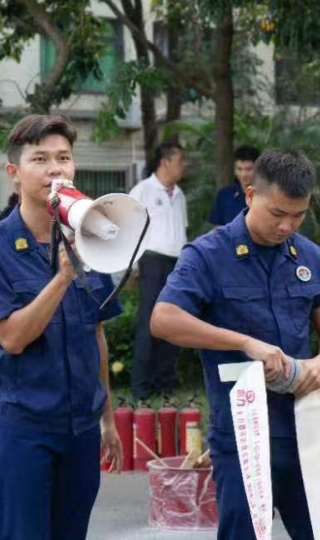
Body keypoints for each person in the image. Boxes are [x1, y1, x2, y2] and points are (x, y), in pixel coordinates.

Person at [150, 149, 320, 540]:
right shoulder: (208, 254)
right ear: (249, 195)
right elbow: (163, 319)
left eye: (298, 215)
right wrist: (246, 343)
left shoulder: (308, 255)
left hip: (305, 427)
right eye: (277, 213)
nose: (286, 226)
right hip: (243, 434)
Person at [0, 114, 123, 540]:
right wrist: (63, 277)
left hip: (81, 426)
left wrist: (106, 418)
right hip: (23, 427)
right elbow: (12, 338)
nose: (56, 169)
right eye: (41, 159)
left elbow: (96, 333)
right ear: (14, 173)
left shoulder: (88, 236)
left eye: (64, 158)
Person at [129, 142, 188, 400]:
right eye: (180, 161)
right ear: (165, 162)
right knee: (148, 323)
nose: (183, 166)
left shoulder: (180, 194)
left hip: (177, 264)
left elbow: (182, 230)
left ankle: (165, 382)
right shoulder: (142, 191)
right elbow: (129, 229)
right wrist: (132, 266)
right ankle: (141, 385)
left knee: (173, 322)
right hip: (152, 261)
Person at [209, 145, 260, 226]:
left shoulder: (268, 196)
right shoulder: (224, 195)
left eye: (248, 169)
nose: (243, 174)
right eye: (239, 169)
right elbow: (216, 228)